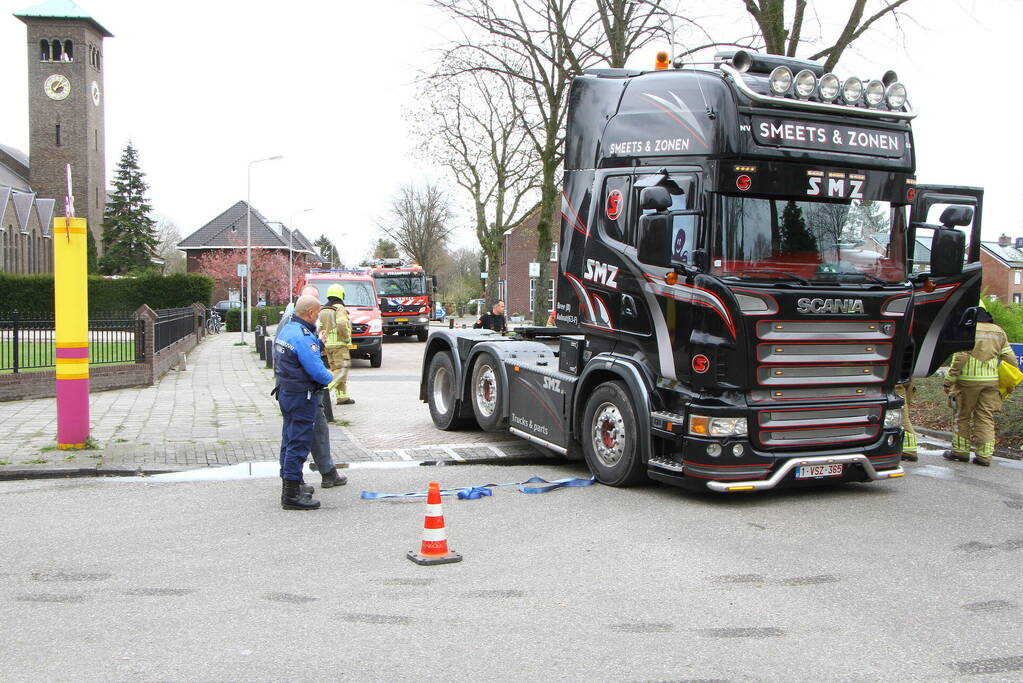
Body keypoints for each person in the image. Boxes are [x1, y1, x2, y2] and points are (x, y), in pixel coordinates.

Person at [276, 286, 347, 488]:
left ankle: (291, 481)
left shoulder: (288, 328)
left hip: (287, 390)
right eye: (316, 312)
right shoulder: (301, 335)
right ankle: (293, 488)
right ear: (309, 311)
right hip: (302, 393)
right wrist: (331, 376)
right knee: (300, 441)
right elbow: (316, 371)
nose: (318, 316)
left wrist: (317, 343)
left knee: (289, 438)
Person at [943, 302, 1018, 466]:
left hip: (967, 382)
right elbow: (1010, 359)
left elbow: (960, 357)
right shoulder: (998, 331)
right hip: (991, 383)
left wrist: (949, 380)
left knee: (962, 415)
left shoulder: (967, 329)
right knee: (985, 417)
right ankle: (984, 456)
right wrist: (1010, 381)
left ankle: (961, 452)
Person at [319, 284, 354, 405]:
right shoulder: (339, 308)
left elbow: (319, 327)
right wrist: (346, 337)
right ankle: (323, 390)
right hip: (339, 344)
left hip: (328, 345)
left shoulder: (324, 309)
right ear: (341, 294)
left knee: (336, 368)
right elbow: (342, 323)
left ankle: (342, 397)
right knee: (342, 369)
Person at [894, 381, 917, 461]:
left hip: (896, 385)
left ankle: (909, 451)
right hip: (903, 382)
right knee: (902, 417)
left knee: (902, 419)